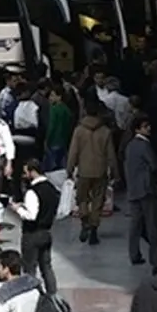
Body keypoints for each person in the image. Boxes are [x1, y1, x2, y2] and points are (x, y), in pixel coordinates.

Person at [66, 99, 118, 246]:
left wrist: (69, 169)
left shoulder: (79, 130)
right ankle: (94, 228)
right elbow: (111, 154)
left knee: (82, 198)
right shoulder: (105, 131)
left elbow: (73, 152)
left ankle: (84, 222)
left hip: (83, 170)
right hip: (100, 171)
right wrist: (115, 171)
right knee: (98, 200)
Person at [11, 159, 59, 294]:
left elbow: (31, 216)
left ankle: (32, 296)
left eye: (26, 172)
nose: (24, 175)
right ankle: (52, 295)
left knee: (29, 270)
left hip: (32, 235)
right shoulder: (51, 188)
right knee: (47, 267)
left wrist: (17, 209)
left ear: (32, 172)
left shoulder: (32, 191)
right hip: (46, 233)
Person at [125, 115, 157, 266]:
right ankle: (155, 257)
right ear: (138, 129)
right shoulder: (145, 145)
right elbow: (154, 165)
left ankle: (134, 253)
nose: (149, 128)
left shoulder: (130, 146)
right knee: (152, 225)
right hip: (147, 188)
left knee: (135, 225)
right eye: (146, 126)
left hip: (133, 188)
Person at [44, 85, 74, 171]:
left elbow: (52, 126)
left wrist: (47, 139)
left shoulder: (54, 109)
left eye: (53, 95)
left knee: (51, 167)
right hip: (64, 141)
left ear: (59, 97)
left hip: (54, 141)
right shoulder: (67, 110)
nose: (50, 98)